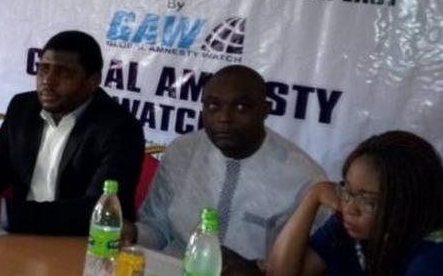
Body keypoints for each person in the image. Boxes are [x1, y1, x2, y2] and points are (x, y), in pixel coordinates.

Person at [0, 30, 145, 235]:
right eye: (44, 69)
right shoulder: (23, 107)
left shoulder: (120, 129)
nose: (48, 80)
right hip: (18, 232)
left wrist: (4, 213)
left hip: (78, 243)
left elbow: (97, 210)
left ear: (93, 80)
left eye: (63, 72)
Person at [127, 65, 327, 274]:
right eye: (213, 106)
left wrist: (257, 270)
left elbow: (309, 265)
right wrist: (133, 233)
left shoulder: (304, 178)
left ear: (265, 110)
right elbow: (157, 229)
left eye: (241, 107)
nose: (224, 118)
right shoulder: (182, 152)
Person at [268, 131, 443, 276]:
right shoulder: (347, 225)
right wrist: (314, 195)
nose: (350, 209)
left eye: (369, 201)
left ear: (409, 204)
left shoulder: (432, 257)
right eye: (347, 190)